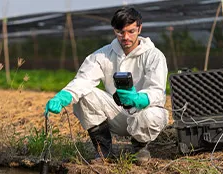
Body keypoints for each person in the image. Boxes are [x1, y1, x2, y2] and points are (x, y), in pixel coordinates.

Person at [45, 7, 168, 164]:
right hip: (117, 114)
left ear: (140, 28)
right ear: (114, 30)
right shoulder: (102, 55)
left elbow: (157, 90)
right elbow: (84, 80)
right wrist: (64, 95)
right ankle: (103, 150)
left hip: (144, 113)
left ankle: (140, 147)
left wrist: (140, 98)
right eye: (120, 32)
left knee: (150, 116)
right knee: (85, 95)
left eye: (131, 31)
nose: (126, 37)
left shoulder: (154, 55)